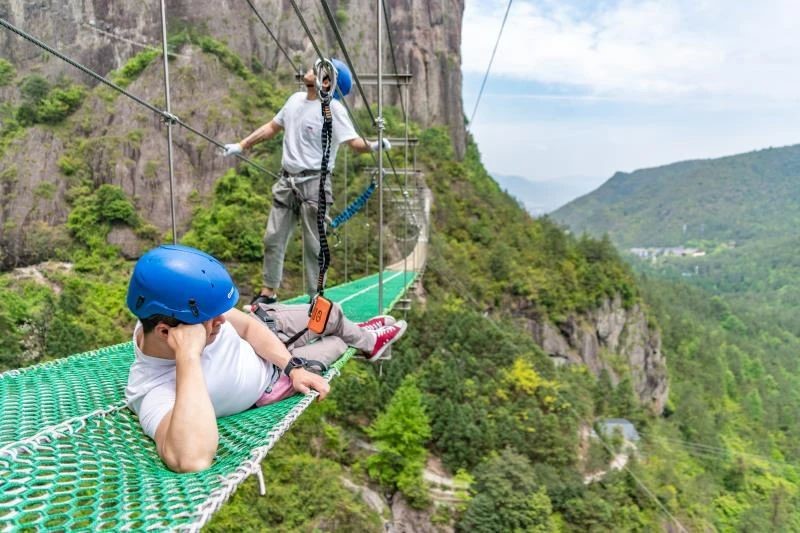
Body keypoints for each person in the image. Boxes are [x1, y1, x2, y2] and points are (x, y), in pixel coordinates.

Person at [124, 244, 407, 473]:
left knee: (329, 313)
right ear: (166, 332)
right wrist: (188, 356)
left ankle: (367, 340)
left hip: (270, 338)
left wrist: (292, 366)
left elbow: (245, 326)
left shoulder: (187, 311)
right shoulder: (151, 390)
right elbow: (191, 459)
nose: (224, 320)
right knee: (337, 343)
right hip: (273, 384)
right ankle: (363, 338)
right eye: (214, 320)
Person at [222, 58, 391, 305]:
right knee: (272, 239)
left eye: (318, 70)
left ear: (326, 82)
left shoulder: (335, 111)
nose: (310, 71)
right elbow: (272, 127)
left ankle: (315, 298)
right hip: (287, 180)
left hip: (316, 184)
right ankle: (269, 293)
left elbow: (353, 142)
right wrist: (241, 145)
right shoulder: (294, 100)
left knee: (313, 245)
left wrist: (373, 146)